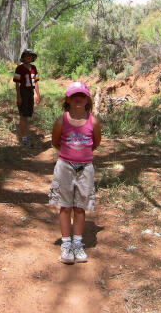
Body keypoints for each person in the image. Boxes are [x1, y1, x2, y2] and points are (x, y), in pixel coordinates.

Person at [49, 81, 101, 264]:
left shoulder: (92, 121)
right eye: (73, 96)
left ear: (87, 99)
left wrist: (81, 156)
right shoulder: (61, 121)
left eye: (81, 95)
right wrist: (70, 157)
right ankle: (66, 244)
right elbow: (56, 142)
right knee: (65, 206)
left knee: (80, 207)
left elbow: (95, 143)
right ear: (68, 99)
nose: (78, 98)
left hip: (85, 168)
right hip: (65, 167)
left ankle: (77, 243)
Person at [13, 49, 41, 147]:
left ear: (32, 58)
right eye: (27, 56)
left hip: (30, 93)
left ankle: (26, 137)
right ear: (24, 57)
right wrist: (19, 96)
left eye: (30, 56)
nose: (28, 57)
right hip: (23, 92)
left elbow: (36, 82)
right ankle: (24, 139)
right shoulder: (19, 68)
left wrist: (38, 94)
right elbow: (17, 84)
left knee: (28, 115)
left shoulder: (34, 68)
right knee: (23, 116)